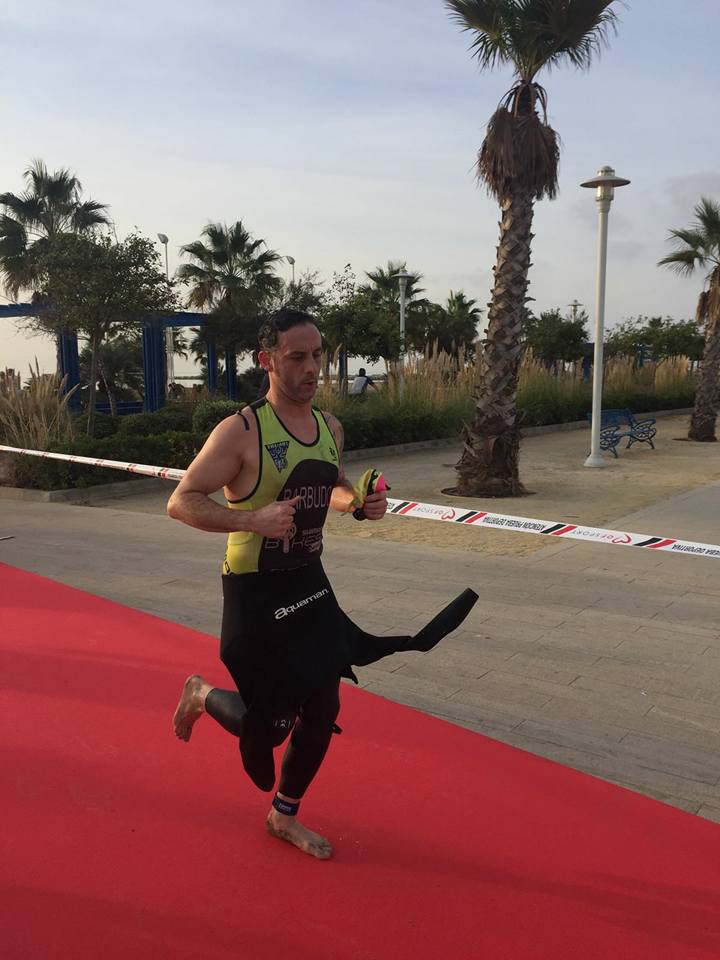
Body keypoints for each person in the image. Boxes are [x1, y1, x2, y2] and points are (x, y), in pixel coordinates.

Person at [167, 308, 477, 860]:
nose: (312, 368)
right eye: (297, 357)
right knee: (270, 724)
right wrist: (251, 518)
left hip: (308, 579)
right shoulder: (241, 431)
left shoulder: (331, 427)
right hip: (255, 588)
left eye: (318, 355)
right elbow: (181, 501)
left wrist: (358, 503)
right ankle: (200, 693)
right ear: (267, 361)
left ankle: (283, 815)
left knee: (323, 707)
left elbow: (331, 485)